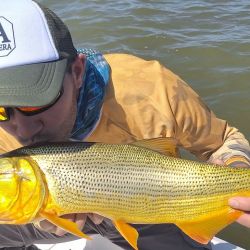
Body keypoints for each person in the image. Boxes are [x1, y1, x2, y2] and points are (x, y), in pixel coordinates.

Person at [0, 1, 249, 250]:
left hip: (151, 206)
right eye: (1, 110)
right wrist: (38, 216)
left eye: (35, 103)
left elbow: (223, 141)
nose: (23, 130)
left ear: (76, 72)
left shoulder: (153, 89)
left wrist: (238, 174)